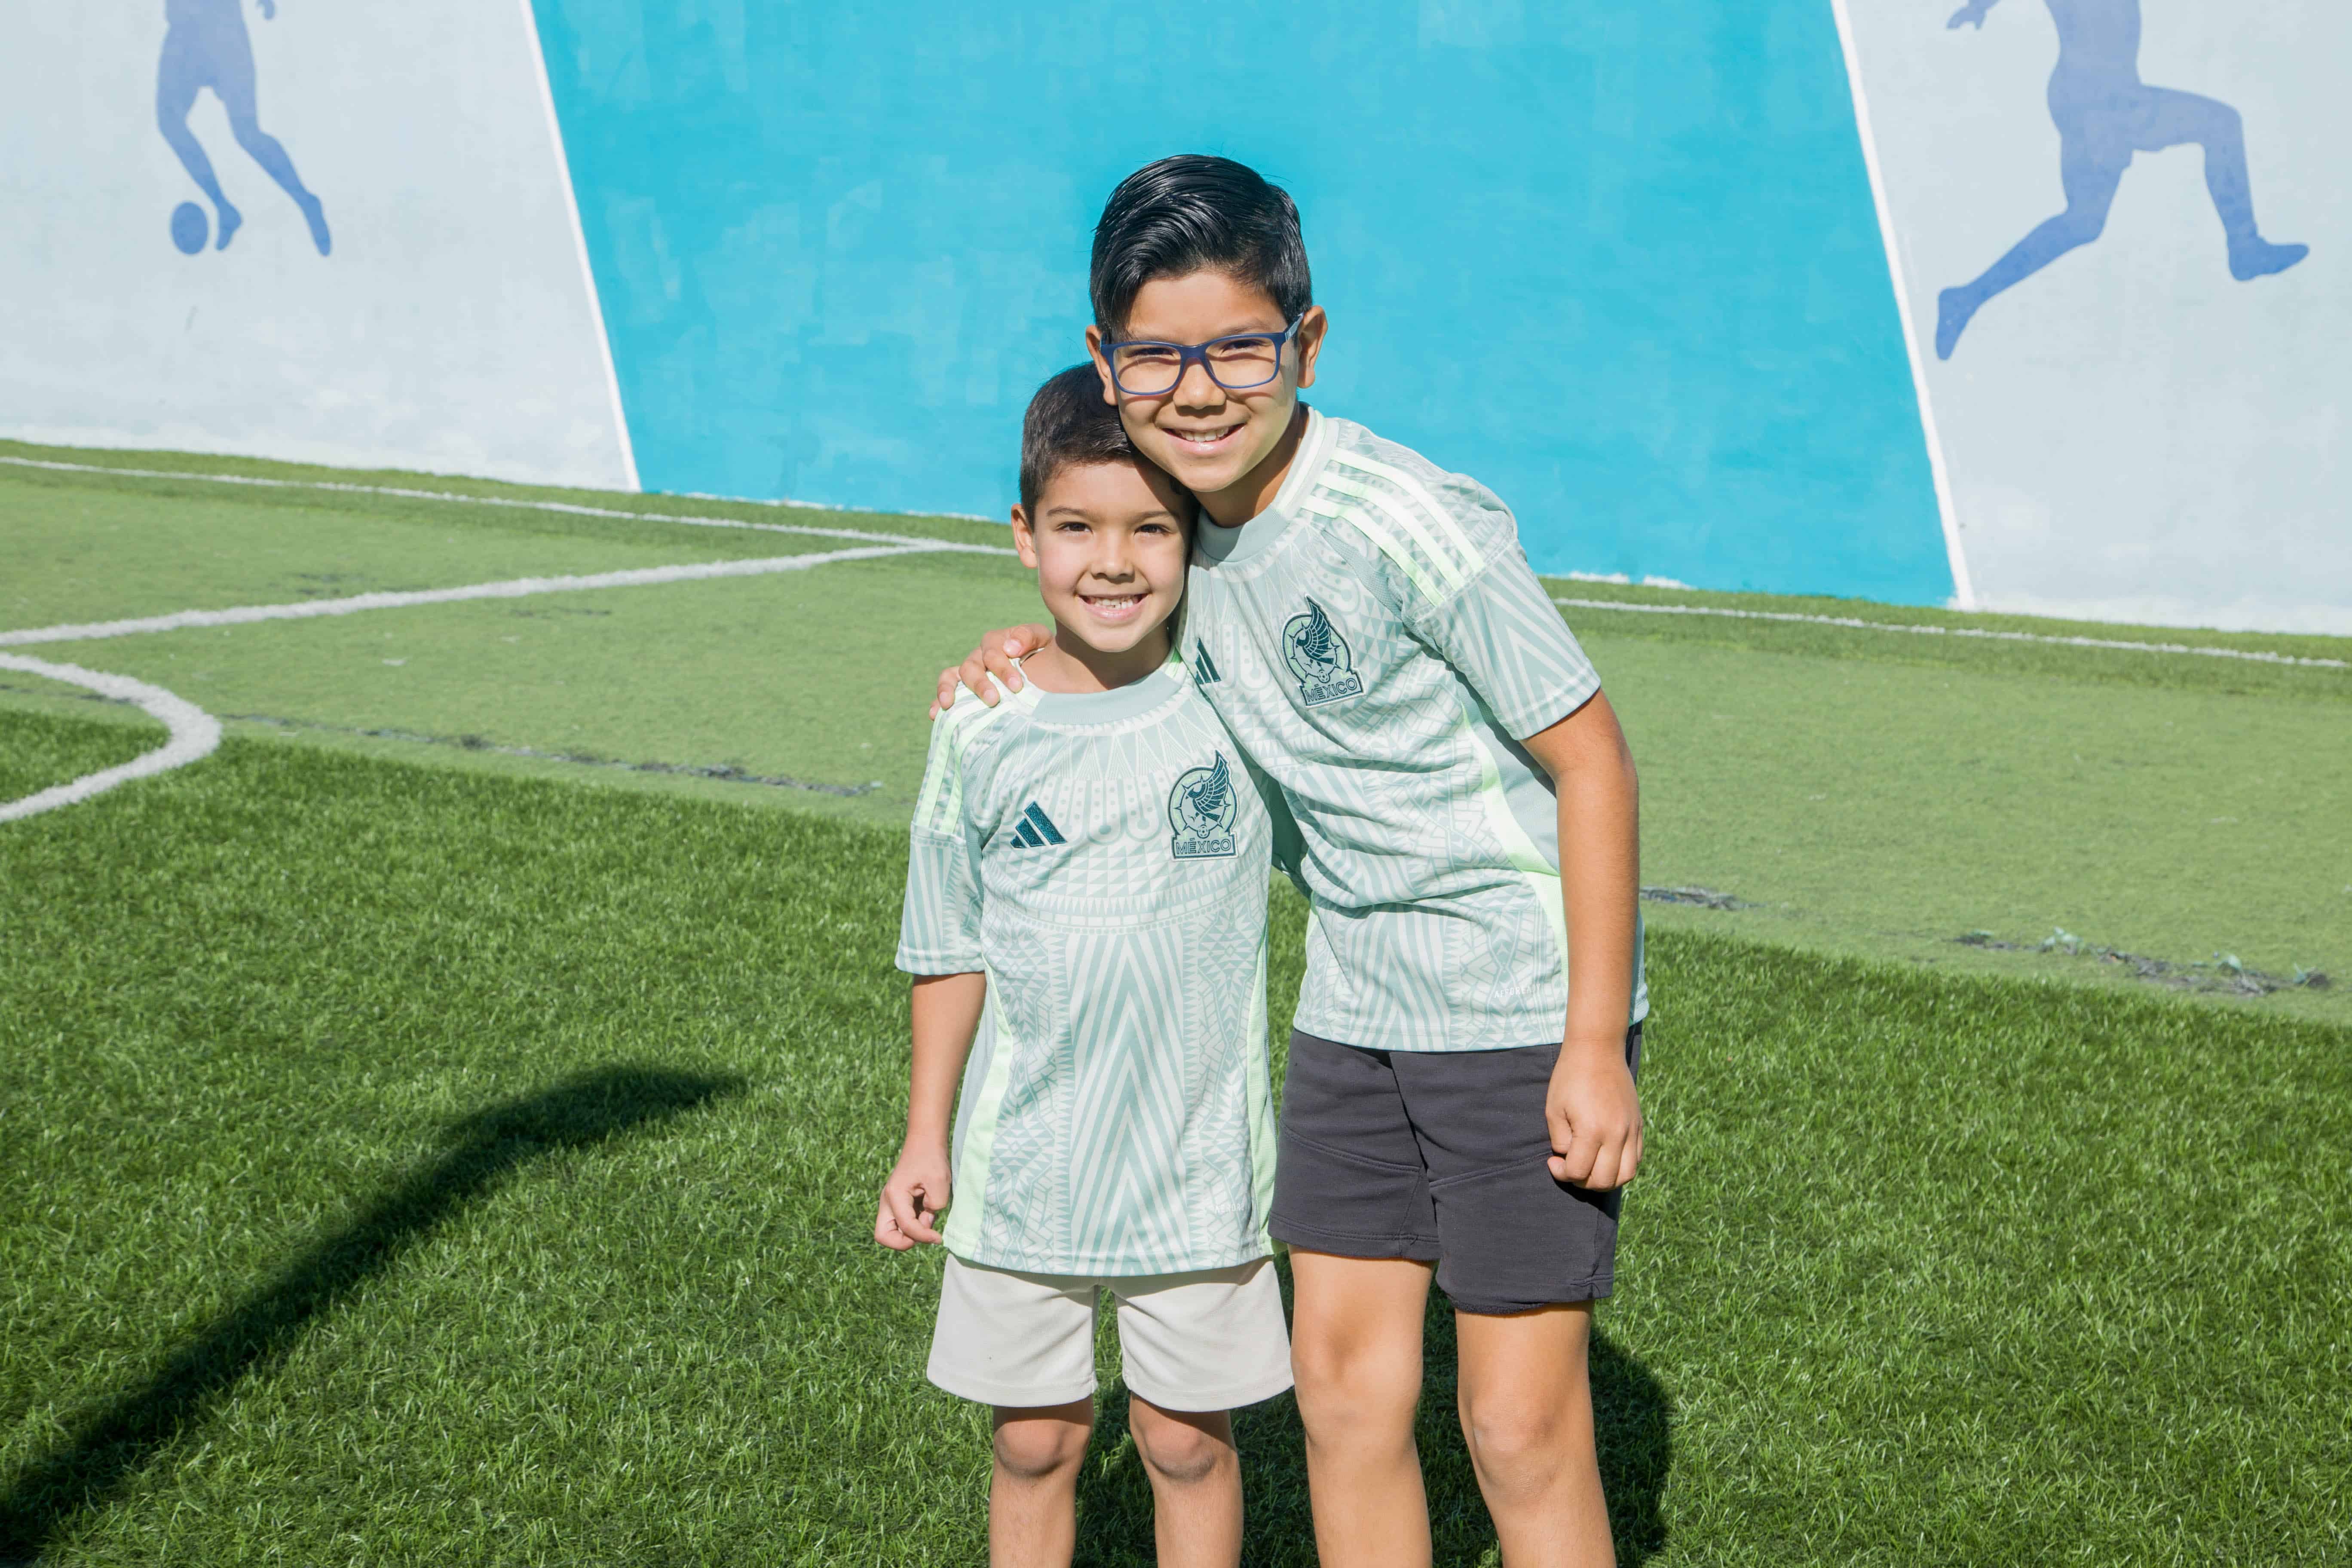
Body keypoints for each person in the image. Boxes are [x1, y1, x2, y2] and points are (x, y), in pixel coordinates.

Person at [937, 156, 1645, 1568]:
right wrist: (1020, 649)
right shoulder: (1183, 526)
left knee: (1516, 1426)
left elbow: (1594, 760)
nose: (1197, 389)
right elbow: (1107, 595)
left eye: (1239, 348)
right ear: (1106, 358)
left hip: (1514, 1009)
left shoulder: (1402, 519)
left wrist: (1592, 1042)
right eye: (1157, 354)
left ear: (1304, 345)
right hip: (1348, 1017)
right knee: (1341, 1399)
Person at [877, 365, 1298, 1568]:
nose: (1112, 562)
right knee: (1037, 1445)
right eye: (1076, 528)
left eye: (1150, 529)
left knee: (1184, 1445)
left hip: (1197, 1163)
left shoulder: (1236, 699)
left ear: (1192, 540)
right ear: (1025, 538)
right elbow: (946, 942)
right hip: (1029, 1165)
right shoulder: (981, 724)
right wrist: (926, 1136)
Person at [1936, 0, 2305, 358]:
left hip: (2101, 97)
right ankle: (2245, 248)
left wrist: (1978, 6)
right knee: (2220, 126)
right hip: (2099, 101)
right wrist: (1978, 6)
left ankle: (1967, 297)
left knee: (2084, 223)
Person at [157, 0, 332, 255]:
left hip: (221, 30)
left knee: (247, 133)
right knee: (170, 122)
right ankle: (224, 208)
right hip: (185, 33)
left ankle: (306, 202)